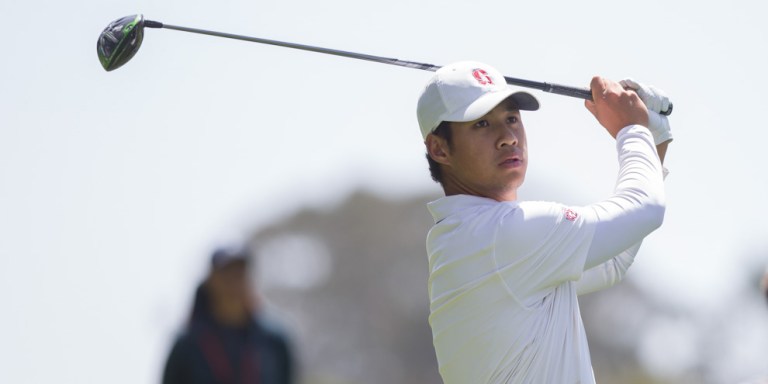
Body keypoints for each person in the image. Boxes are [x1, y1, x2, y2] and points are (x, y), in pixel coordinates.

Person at [416, 61, 672, 383]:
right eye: (482, 125)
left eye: (511, 119)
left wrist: (653, 138)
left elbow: (612, 261)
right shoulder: (499, 234)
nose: (508, 137)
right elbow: (645, 209)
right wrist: (632, 128)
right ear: (439, 149)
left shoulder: (469, 237)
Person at [162, 245, 294, 384]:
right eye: (226, 274)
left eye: (240, 274)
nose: (234, 282)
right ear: (211, 281)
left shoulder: (273, 340)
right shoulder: (188, 344)